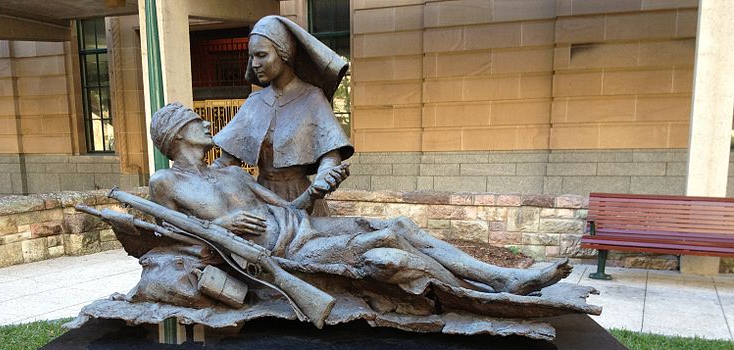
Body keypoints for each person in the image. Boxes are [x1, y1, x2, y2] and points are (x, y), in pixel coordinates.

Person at [148, 103, 571, 299]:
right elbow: (166, 238)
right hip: (278, 254)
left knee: (400, 226)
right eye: (195, 120)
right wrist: (221, 228)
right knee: (386, 244)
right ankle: (494, 292)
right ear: (176, 134)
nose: (206, 123)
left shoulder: (230, 173)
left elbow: (290, 209)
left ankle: (498, 279)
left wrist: (318, 187)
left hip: (302, 228)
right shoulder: (164, 181)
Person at [212, 15, 353, 216]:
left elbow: (330, 153)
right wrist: (193, 173)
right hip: (262, 199)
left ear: (284, 53)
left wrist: (325, 176)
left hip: (304, 198)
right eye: (251, 56)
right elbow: (226, 161)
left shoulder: (312, 98)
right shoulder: (254, 102)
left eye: (261, 55)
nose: (254, 64)